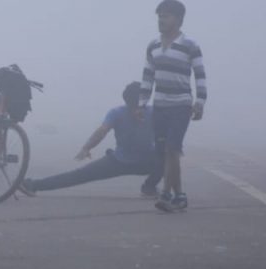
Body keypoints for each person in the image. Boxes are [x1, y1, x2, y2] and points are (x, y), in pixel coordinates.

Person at [20, 82, 162, 196]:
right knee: (78, 175)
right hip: (118, 161)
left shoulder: (152, 113)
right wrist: (87, 148)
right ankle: (33, 184)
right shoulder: (118, 113)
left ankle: (149, 187)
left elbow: (167, 135)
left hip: (145, 161)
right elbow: (102, 131)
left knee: (167, 159)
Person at [137, 0, 207, 213]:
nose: (161, 20)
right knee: (166, 152)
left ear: (177, 19)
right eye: (159, 17)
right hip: (159, 105)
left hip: (181, 105)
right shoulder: (153, 46)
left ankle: (166, 194)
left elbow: (200, 75)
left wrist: (200, 101)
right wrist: (142, 103)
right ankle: (180, 196)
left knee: (172, 148)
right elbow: (148, 75)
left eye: (165, 17)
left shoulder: (190, 45)